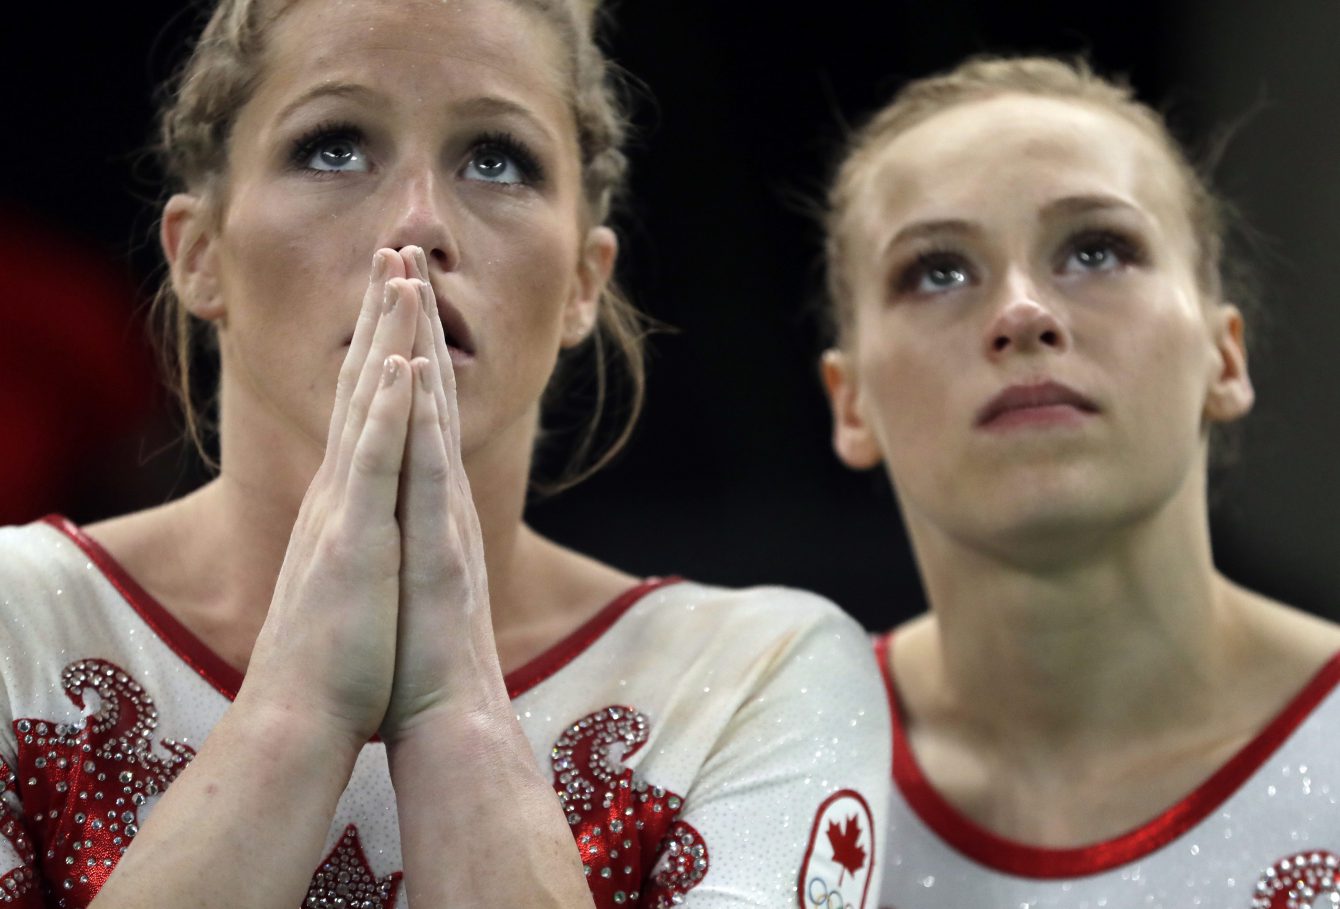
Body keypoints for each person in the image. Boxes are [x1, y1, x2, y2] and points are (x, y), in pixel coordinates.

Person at [0, 1, 890, 907]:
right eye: (334, 147)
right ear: (199, 256)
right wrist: (294, 715)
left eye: (496, 160)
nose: (418, 224)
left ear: (586, 281)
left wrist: (455, 715)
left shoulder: (757, 674)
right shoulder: (14, 621)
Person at [818, 55, 1340, 908]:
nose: (1024, 311)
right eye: (937, 270)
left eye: (1096, 250)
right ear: (851, 404)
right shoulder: (759, 770)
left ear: (1225, 354)